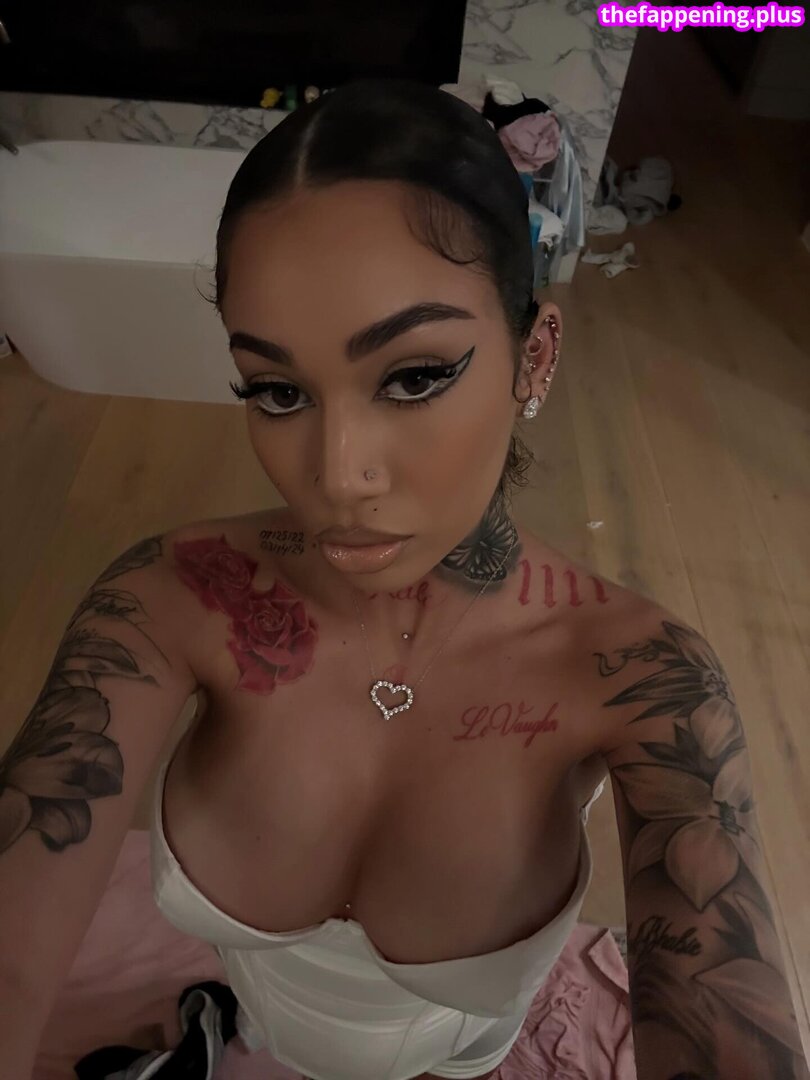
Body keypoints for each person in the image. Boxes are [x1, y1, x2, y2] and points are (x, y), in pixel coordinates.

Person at [1, 79, 806, 1080]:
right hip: (268, 1019)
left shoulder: (649, 683)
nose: (338, 476)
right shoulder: (172, 601)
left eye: (415, 376)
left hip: (454, 1051)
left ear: (535, 354)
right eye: (276, 390)